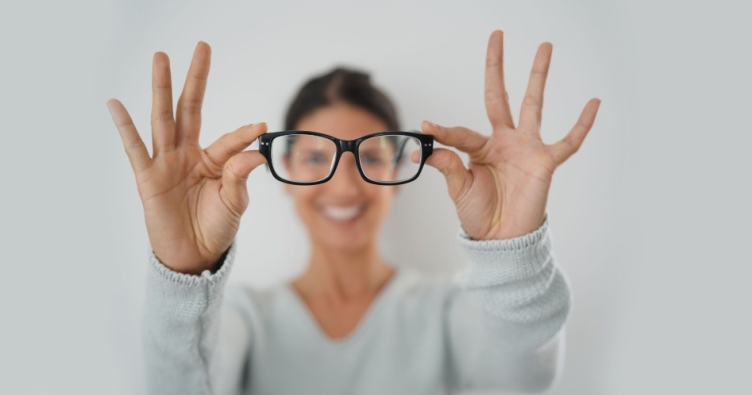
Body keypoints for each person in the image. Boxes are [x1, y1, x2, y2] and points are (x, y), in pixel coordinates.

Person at [107, 30, 601, 395]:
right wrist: (182, 275)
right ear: (285, 179)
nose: (345, 183)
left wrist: (512, 255)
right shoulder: (243, 319)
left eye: (370, 156)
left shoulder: (449, 312)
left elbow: (516, 382)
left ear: (398, 178)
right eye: (316, 157)